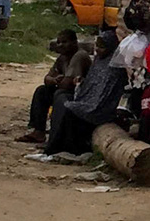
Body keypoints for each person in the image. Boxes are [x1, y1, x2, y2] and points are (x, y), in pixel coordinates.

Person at [39, 28, 126, 158]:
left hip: (98, 107)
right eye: (97, 46)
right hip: (86, 99)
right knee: (59, 97)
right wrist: (82, 83)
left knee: (64, 102)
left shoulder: (114, 66)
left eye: (102, 46)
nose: (98, 50)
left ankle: (58, 145)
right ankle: (52, 142)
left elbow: (104, 94)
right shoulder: (99, 61)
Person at [18, 30, 92, 145]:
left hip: (80, 95)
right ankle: (38, 131)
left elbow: (67, 84)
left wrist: (55, 81)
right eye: (58, 42)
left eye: (64, 42)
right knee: (41, 91)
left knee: (59, 95)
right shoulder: (62, 57)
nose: (60, 45)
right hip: (65, 90)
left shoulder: (79, 56)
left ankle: (55, 138)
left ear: (74, 42)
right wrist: (54, 80)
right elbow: (47, 78)